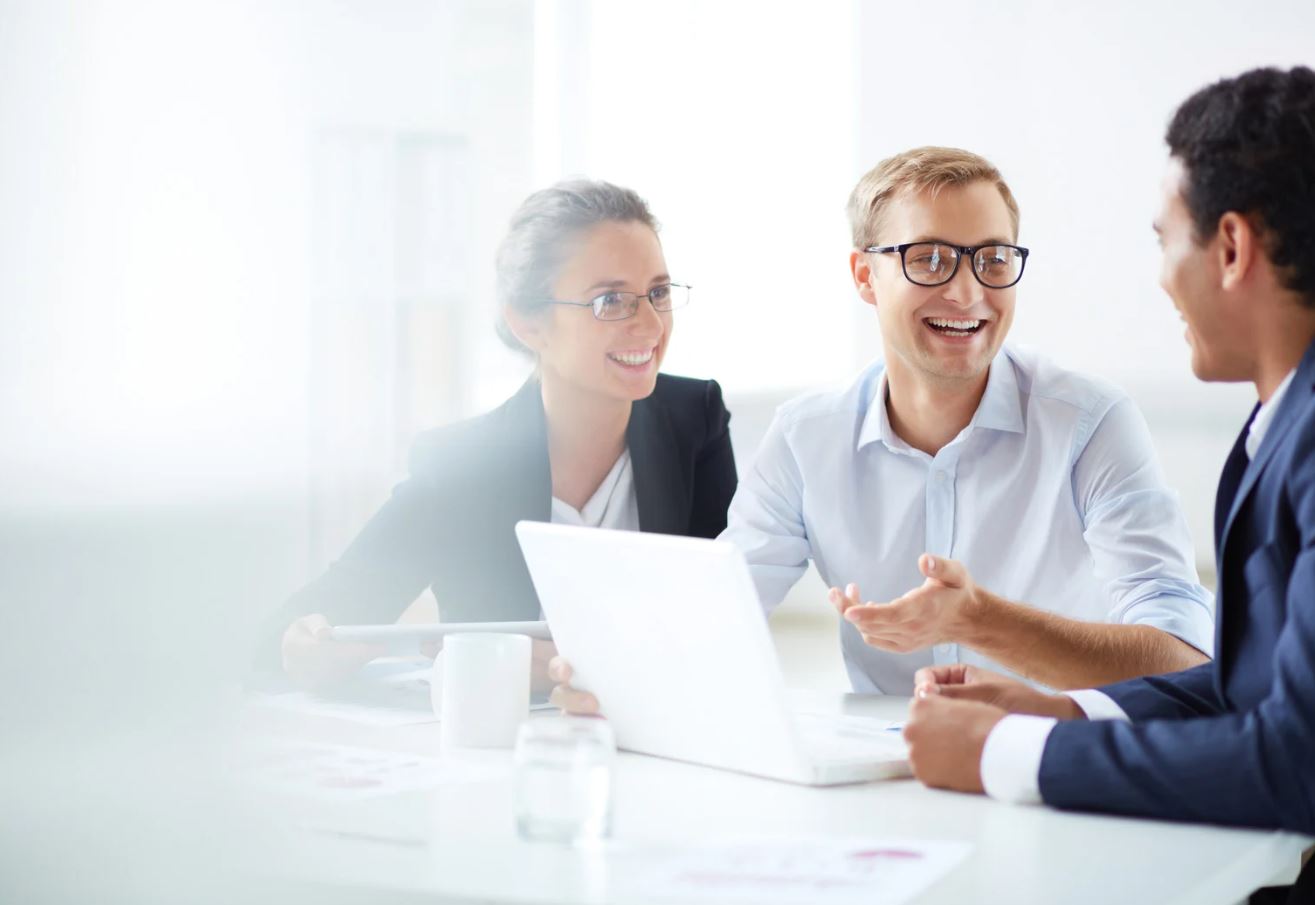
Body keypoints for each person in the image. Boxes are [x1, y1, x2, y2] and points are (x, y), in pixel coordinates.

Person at [549, 147, 1213, 715]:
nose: (965, 292)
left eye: (991, 259)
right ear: (864, 276)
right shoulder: (807, 437)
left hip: (1057, 762)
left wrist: (980, 619)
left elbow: (1182, 656)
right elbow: (717, 610)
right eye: (928, 259)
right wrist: (608, 672)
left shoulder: (1089, 422)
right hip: (890, 774)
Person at [901, 66, 1315, 862]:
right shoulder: (1280, 419)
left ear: (1229, 247)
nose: (1160, 279)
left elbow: (1296, 760)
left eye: (1164, 242)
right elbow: (1254, 685)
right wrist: (1065, 712)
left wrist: (1002, 754)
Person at [265, 179, 737, 691]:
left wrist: (600, 667)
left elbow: (726, 628)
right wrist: (299, 648)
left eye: (659, 293)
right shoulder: (462, 465)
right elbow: (313, 621)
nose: (649, 324)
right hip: (501, 749)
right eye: (610, 300)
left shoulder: (694, 421)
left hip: (658, 742)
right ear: (528, 325)